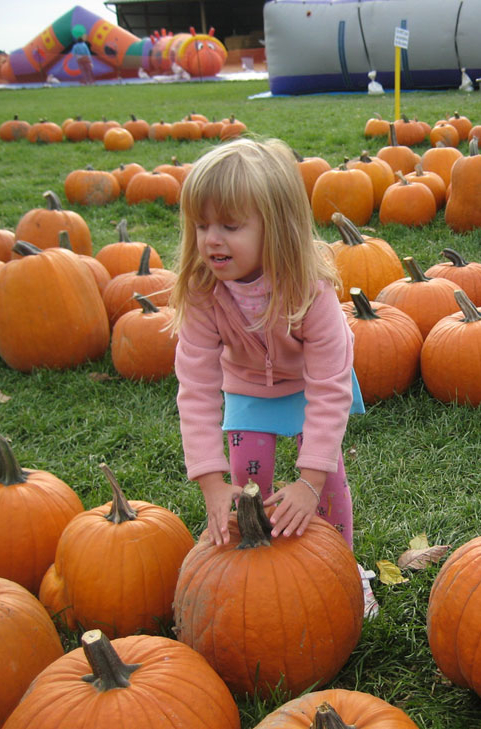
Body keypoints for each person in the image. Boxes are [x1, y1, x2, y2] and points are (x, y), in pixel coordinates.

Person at [170, 137, 377, 615]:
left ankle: (342, 570)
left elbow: (329, 387)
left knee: (326, 487)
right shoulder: (204, 292)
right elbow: (197, 390)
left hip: (311, 386)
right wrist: (210, 482)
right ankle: (258, 577)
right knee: (249, 485)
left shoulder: (310, 290)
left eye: (230, 225)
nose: (211, 239)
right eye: (201, 225)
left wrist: (307, 481)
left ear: (276, 228)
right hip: (246, 387)